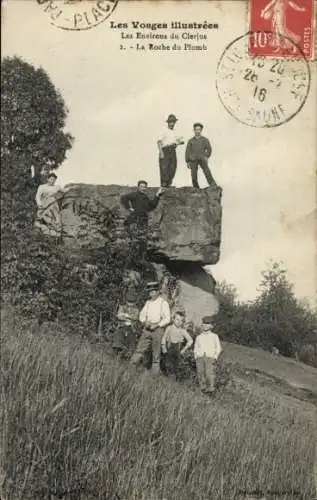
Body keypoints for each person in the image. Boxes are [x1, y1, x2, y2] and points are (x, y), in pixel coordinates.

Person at [130, 281, 171, 375]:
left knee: (156, 352)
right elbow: (142, 315)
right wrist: (145, 322)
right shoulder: (148, 303)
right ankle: (131, 366)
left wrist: (157, 325)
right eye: (150, 291)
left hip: (158, 329)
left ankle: (154, 374)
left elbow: (167, 319)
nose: (151, 293)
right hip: (147, 329)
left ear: (158, 292)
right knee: (140, 348)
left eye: (153, 291)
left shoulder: (163, 303)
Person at [121, 181, 164, 258]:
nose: (143, 188)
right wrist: (129, 208)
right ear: (138, 187)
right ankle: (132, 256)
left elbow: (152, 205)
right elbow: (124, 198)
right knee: (134, 238)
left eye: (144, 187)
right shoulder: (134, 195)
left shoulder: (145, 197)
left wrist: (157, 195)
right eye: (141, 186)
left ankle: (139, 257)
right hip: (135, 219)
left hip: (143, 220)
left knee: (142, 240)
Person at [194, 316, 222, 394]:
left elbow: (219, 348)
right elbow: (196, 348)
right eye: (204, 323)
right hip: (200, 357)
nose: (205, 325)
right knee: (200, 373)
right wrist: (196, 356)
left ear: (211, 326)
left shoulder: (214, 336)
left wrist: (215, 357)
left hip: (210, 357)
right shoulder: (199, 337)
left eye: (207, 324)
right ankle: (202, 389)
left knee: (209, 374)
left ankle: (211, 389)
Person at [161, 310, 193, 379]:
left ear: (183, 322)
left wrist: (184, 349)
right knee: (168, 364)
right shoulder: (169, 328)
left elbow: (190, 340)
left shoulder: (183, 330)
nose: (179, 322)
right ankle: (168, 378)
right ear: (173, 319)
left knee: (176, 365)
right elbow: (164, 337)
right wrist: (163, 347)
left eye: (181, 320)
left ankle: (175, 380)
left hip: (177, 349)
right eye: (177, 319)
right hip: (169, 347)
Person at [185, 123, 216, 189]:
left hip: (202, 159)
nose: (197, 131)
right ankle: (196, 188)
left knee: (207, 171)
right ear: (194, 130)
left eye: (199, 129)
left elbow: (209, 149)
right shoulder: (191, 141)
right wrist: (187, 161)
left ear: (201, 130)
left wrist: (206, 156)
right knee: (193, 175)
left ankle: (213, 185)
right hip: (193, 159)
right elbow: (187, 151)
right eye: (196, 129)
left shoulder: (205, 140)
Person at [35, 173, 66, 237]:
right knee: (43, 217)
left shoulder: (57, 187)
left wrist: (71, 188)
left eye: (54, 179)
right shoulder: (42, 187)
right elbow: (38, 196)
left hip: (53, 205)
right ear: (48, 179)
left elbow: (64, 191)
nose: (52, 181)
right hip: (44, 204)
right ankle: (44, 233)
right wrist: (39, 203)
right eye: (51, 179)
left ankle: (56, 234)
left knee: (56, 218)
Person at [157, 114, 184, 187]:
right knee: (164, 167)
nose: (172, 124)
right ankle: (164, 184)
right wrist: (161, 152)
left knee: (173, 167)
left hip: (172, 150)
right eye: (170, 122)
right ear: (168, 122)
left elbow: (179, 140)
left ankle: (169, 183)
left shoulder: (175, 131)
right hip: (165, 150)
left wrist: (179, 142)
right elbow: (159, 142)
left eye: (173, 122)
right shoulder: (164, 130)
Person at [113, 289, 140, 356]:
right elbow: (119, 316)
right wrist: (128, 317)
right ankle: (118, 350)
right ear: (126, 301)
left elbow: (135, 317)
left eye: (132, 303)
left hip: (131, 328)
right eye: (129, 302)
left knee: (132, 337)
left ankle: (129, 352)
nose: (130, 304)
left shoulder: (136, 309)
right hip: (122, 326)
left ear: (134, 302)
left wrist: (125, 316)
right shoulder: (122, 307)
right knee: (118, 334)